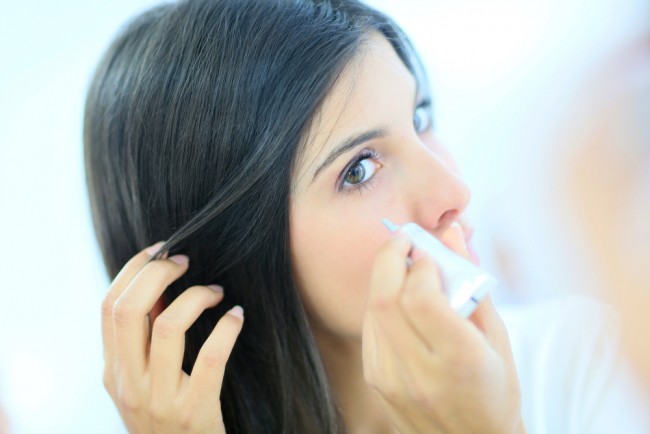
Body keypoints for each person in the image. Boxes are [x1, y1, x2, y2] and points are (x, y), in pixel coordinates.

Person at [83, 0, 646, 433]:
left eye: (419, 115)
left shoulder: (594, 362)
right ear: (226, 260)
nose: (453, 191)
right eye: (359, 169)